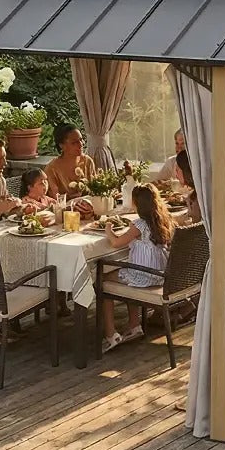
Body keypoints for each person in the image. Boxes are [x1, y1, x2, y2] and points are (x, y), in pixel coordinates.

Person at [100, 184, 174, 352]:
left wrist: (108, 229)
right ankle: (134, 324)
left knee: (102, 278)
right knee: (127, 272)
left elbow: (116, 243)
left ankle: (110, 334)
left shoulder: (140, 224)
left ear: (136, 204)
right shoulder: (162, 220)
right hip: (159, 275)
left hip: (144, 276)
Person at [43, 125, 98, 213]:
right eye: (74, 142)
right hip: (65, 212)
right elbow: (56, 199)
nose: (81, 144)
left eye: (81, 139)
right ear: (62, 145)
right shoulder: (52, 169)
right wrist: (73, 198)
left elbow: (96, 189)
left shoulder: (87, 161)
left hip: (89, 209)